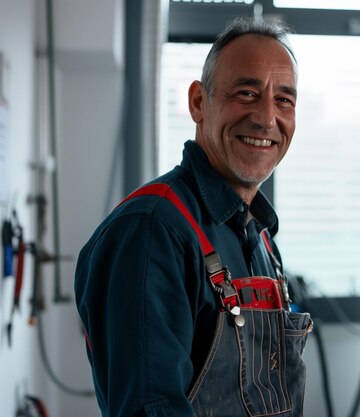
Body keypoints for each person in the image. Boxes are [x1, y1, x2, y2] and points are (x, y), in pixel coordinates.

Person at [75, 17, 312, 417]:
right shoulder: (152, 231)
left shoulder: (259, 238)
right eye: (246, 92)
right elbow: (150, 408)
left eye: (284, 100)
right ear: (199, 102)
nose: (267, 119)